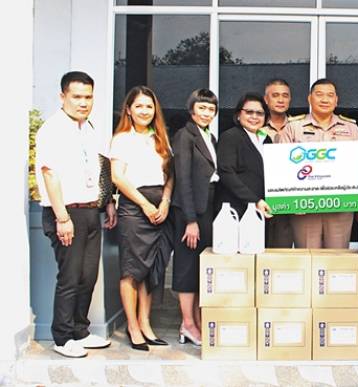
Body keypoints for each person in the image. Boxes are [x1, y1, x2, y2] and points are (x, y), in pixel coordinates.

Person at [36, 71, 117, 358]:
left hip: (90, 210)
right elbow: (50, 174)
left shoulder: (89, 128)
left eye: (88, 97)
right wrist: (62, 218)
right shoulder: (52, 130)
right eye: (77, 97)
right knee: (70, 277)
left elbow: (100, 166)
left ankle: (80, 331)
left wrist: (107, 202)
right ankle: (62, 337)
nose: (83, 102)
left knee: (87, 276)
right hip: (66, 212)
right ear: (63, 97)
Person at [110, 86, 173, 351]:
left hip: (160, 207)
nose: (144, 111)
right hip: (135, 209)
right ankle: (133, 326)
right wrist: (145, 204)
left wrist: (165, 201)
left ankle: (146, 323)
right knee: (132, 270)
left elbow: (170, 175)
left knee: (151, 269)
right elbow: (117, 177)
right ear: (129, 110)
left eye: (149, 106)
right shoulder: (122, 139)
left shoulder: (160, 138)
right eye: (139, 106)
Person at [278, 78, 358, 249]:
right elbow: (281, 165)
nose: (324, 99)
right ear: (309, 98)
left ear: (336, 100)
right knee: (307, 258)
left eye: (330, 95)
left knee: (337, 258)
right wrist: (291, 198)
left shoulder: (351, 129)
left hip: (341, 205)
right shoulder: (293, 128)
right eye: (319, 94)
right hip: (304, 206)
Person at [170, 89, 220, 347]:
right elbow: (183, 178)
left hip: (207, 207)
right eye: (202, 108)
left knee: (201, 265)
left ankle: (198, 321)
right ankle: (187, 323)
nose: (206, 113)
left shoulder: (210, 136)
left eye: (211, 109)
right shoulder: (184, 135)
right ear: (191, 110)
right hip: (190, 211)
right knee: (187, 266)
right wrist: (190, 220)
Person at [217, 93, 273, 219]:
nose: (254, 117)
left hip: (262, 210)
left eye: (260, 113)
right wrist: (254, 201)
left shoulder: (267, 139)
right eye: (249, 112)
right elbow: (226, 173)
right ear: (238, 115)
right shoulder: (230, 137)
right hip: (235, 211)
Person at [262, 79, 294, 248]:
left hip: (290, 197)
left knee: (284, 249)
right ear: (266, 99)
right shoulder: (255, 125)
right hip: (261, 196)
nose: (281, 100)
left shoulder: (299, 126)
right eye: (275, 95)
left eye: (285, 96)